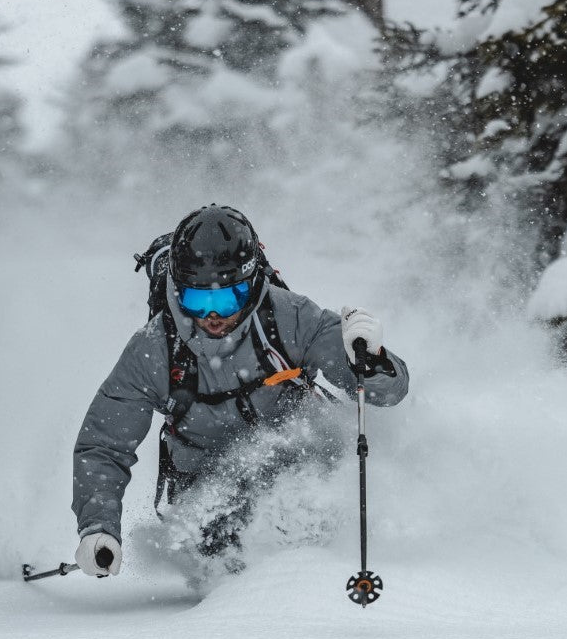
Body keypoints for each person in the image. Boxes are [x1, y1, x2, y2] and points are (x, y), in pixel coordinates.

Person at [72, 205, 409, 577]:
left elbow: (387, 393)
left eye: (227, 299)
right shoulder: (153, 350)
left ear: (251, 286)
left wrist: (374, 360)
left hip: (301, 458)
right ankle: (244, 605)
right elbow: (104, 445)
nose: (212, 316)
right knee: (221, 555)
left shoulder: (291, 318)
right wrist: (98, 527)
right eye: (197, 300)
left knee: (309, 511)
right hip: (206, 483)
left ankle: (316, 579)